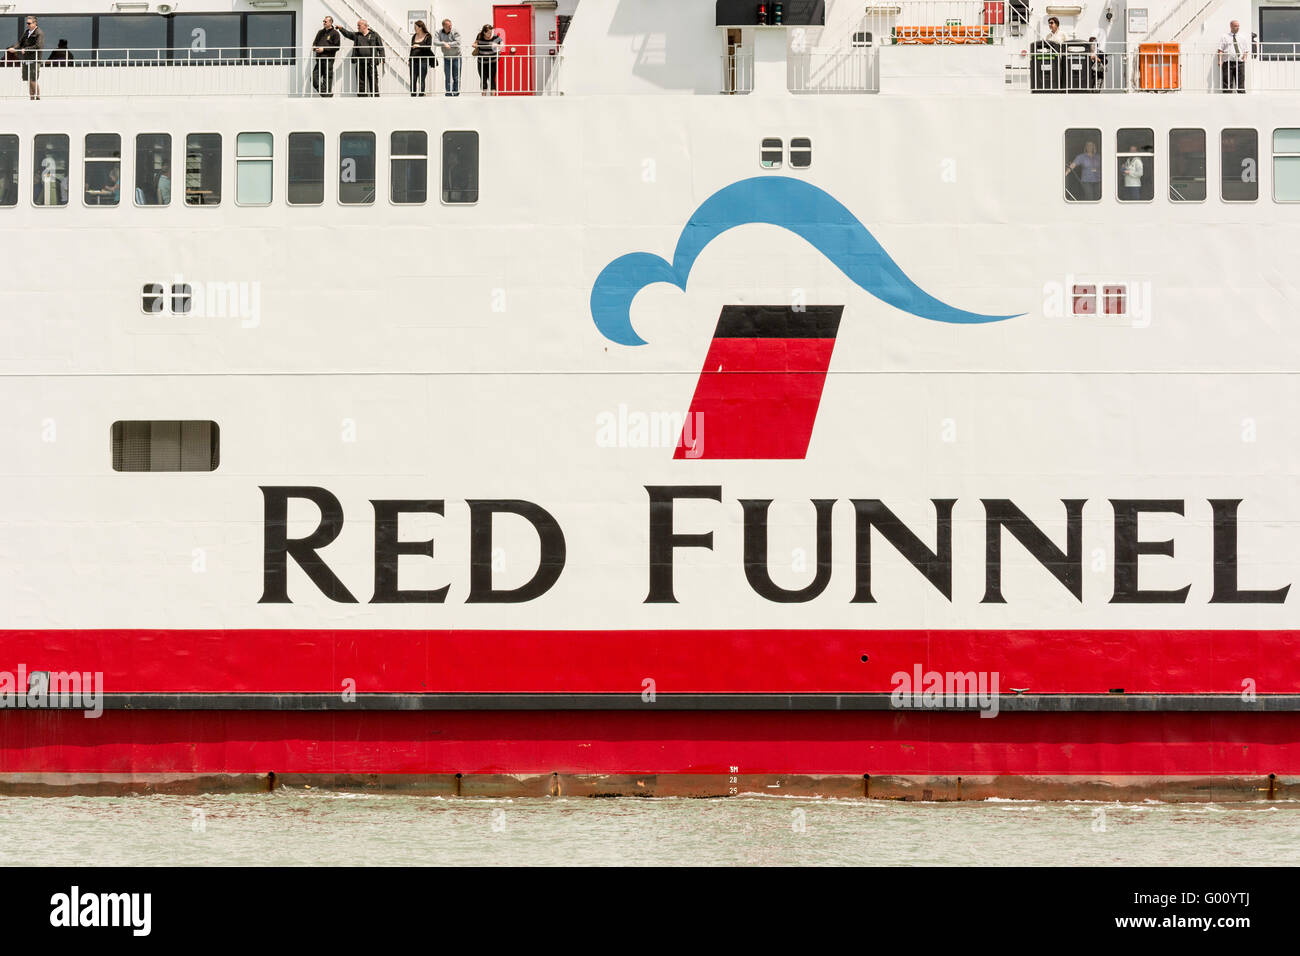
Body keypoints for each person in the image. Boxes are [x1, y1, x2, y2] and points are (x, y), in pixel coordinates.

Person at [339, 20, 385, 97]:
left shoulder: (374, 35)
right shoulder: (357, 35)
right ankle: (362, 99)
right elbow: (348, 34)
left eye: (359, 25)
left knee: (373, 82)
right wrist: (341, 29)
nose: (357, 27)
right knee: (361, 83)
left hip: (371, 63)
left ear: (365, 26)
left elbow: (381, 48)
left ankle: (376, 99)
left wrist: (382, 58)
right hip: (360, 63)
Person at [7, 16, 45, 100]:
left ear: (35, 23)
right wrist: (14, 48)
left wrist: (26, 50)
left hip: (34, 59)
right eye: (27, 23)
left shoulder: (39, 33)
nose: (27, 25)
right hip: (26, 59)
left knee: (33, 79)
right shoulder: (27, 32)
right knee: (28, 79)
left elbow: (39, 46)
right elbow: (20, 43)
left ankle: (37, 97)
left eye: (29, 23)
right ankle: (32, 98)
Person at [311, 16, 341, 97]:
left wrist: (323, 49)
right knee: (314, 78)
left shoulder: (335, 33)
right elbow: (315, 43)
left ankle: (326, 96)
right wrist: (314, 48)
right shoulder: (320, 32)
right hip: (319, 59)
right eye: (323, 21)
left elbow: (337, 47)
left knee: (327, 79)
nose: (324, 22)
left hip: (328, 59)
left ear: (331, 22)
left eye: (325, 21)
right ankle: (326, 95)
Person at [1218, 20, 1247, 93]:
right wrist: (1220, 60)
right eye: (1235, 26)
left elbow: (1245, 50)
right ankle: (1226, 100)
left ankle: (1243, 100)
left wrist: (1244, 58)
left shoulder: (1242, 37)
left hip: (1239, 63)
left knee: (1240, 83)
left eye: (1238, 26)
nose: (1237, 28)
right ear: (1231, 26)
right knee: (1227, 84)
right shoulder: (1224, 37)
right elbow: (1220, 49)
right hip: (1227, 63)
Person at [473, 24, 501, 95]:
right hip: (481, 62)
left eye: (491, 32)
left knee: (492, 78)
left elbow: (502, 44)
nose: (490, 34)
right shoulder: (480, 36)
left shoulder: (495, 37)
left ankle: (493, 97)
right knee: (483, 78)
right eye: (488, 33)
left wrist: (497, 45)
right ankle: (484, 96)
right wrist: (475, 45)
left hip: (492, 61)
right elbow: (474, 43)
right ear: (484, 33)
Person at [436, 19, 462, 95]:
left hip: (457, 57)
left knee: (456, 77)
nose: (450, 27)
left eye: (451, 25)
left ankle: (456, 93)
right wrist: (443, 44)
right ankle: (448, 93)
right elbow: (435, 42)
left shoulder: (455, 31)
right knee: (447, 76)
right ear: (444, 26)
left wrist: (448, 44)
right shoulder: (439, 32)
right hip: (447, 58)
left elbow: (458, 42)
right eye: (448, 26)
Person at [409, 20, 435, 96]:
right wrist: (409, 59)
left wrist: (419, 46)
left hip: (423, 60)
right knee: (413, 79)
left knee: (421, 78)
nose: (414, 28)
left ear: (420, 28)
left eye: (415, 27)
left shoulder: (428, 36)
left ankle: (421, 94)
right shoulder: (414, 36)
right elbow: (411, 49)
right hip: (413, 60)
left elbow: (428, 47)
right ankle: (413, 95)